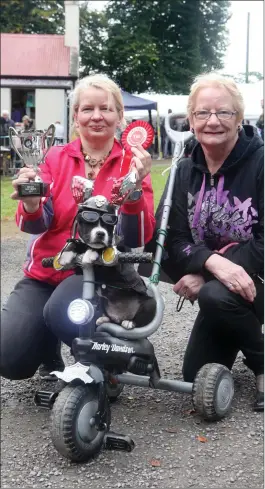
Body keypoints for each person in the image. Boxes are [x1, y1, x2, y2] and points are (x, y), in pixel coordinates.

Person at [1, 74, 155, 381]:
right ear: (75, 116)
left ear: (119, 115)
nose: (97, 116)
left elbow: (139, 236)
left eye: (106, 109)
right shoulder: (54, 156)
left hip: (101, 275)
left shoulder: (133, 163)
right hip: (46, 273)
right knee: (9, 359)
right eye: (87, 109)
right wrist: (30, 204)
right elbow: (34, 223)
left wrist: (134, 190)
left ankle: (102, 363)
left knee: (63, 312)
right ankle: (48, 348)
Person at [163, 73, 264, 411]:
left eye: (224, 113)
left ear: (239, 119)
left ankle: (262, 362)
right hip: (224, 284)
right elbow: (169, 240)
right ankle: (245, 331)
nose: (213, 121)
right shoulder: (183, 170)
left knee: (214, 294)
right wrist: (211, 263)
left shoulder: (261, 163)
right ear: (190, 120)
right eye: (203, 113)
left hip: (258, 278)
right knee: (195, 376)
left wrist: (209, 273)